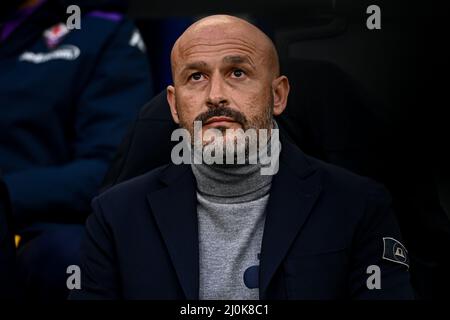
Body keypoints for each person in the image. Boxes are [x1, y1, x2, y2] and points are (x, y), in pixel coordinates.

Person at [71, 15, 413, 299]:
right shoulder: (114, 217)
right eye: (196, 77)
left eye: (237, 72)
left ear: (277, 95)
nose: (216, 96)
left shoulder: (358, 206)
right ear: (174, 105)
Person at [0, 0, 153, 299]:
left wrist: (6, 193)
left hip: (37, 226)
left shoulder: (102, 31)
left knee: (70, 258)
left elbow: (111, 168)